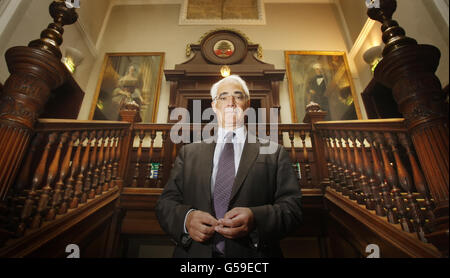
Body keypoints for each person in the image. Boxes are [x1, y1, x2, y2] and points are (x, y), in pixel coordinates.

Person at [155, 75, 303, 258]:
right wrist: (187, 219)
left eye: (238, 96)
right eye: (223, 97)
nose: (231, 102)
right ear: (214, 107)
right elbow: (165, 204)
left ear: (247, 105)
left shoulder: (274, 152)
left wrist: (256, 219)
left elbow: (293, 208)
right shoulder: (188, 153)